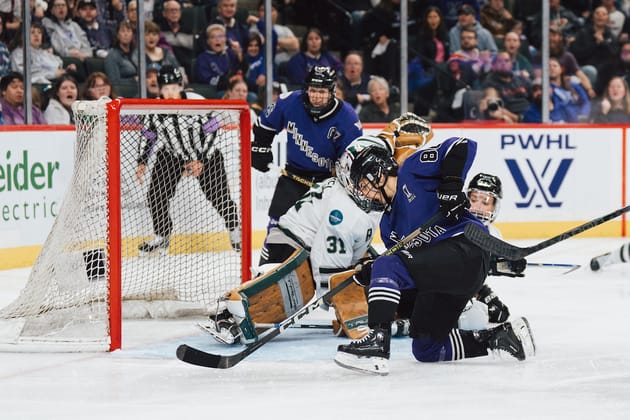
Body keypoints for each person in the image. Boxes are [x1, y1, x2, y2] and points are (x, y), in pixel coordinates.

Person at [203, 114, 436, 345]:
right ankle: (230, 316)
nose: (368, 192)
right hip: (289, 246)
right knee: (288, 293)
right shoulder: (346, 212)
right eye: (363, 187)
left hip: (318, 241)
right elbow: (330, 272)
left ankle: (411, 305)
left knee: (384, 270)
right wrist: (343, 304)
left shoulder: (367, 165)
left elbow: (375, 145)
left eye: (369, 186)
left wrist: (390, 136)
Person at [334, 134, 535, 375]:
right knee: (427, 348)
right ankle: (500, 338)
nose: (361, 193)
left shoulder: (412, 172)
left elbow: (462, 145)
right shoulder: (388, 226)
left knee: (387, 264)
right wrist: (374, 273)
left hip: (466, 249)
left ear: (375, 172)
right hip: (450, 281)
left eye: (362, 185)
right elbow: (409, 269)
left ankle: (377, 343)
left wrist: (450, 184)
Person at [251, 66, 363, 262]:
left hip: (327, 183)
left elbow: (352, 158)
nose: (316, 96)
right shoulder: (290, 102)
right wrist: (260, 147)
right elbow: (265, 125)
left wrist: (342, 175)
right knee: (277, 224)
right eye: (312, 90)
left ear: (331, 91)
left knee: (325, 229)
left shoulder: (347, 118)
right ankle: (266, 269)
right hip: (294, 175)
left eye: (321, 91)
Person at [135, 65, 241, 254]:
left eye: (174, 88)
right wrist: (142, 161)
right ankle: (162, 236)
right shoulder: (154, 107)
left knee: (219, 197)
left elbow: (213, 130)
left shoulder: (197, 102)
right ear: (160, 89)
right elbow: (150, 136)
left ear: (181, 86)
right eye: (166, 89)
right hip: (173, 155)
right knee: (156, 195)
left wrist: (200, 160)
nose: (171, 93)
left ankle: (235, 230)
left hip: (206, 155)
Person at [9, 22, 77, 84]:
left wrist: (67, 69)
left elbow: (57, 66)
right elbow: (26, 74)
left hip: (55, 81)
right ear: (22, 36)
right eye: (32, 32)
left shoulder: (43, 52)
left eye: (39, 32)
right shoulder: (18, 54)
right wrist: (54, 74)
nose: (36, 35)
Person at [194, 23, 247, 92]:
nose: (217, 39)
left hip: (236, 89)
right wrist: (229, 80)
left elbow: (243, 69)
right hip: (217, 92)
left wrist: (239, 53)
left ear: (225, 39)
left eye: (221, 36)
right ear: (208, 41)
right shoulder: (202, 58)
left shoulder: (230, 53)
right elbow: (206, 80)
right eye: (213, 37)